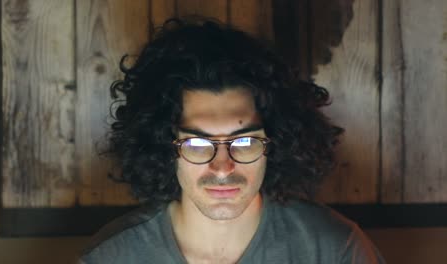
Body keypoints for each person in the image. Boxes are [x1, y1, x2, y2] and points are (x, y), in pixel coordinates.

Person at [79, 18, 385, 264]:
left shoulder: (333, 249)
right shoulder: (112, 257)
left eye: (244, 142)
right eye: (197, 145)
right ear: (165, 149)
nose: (223, 167)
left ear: (274, 146)